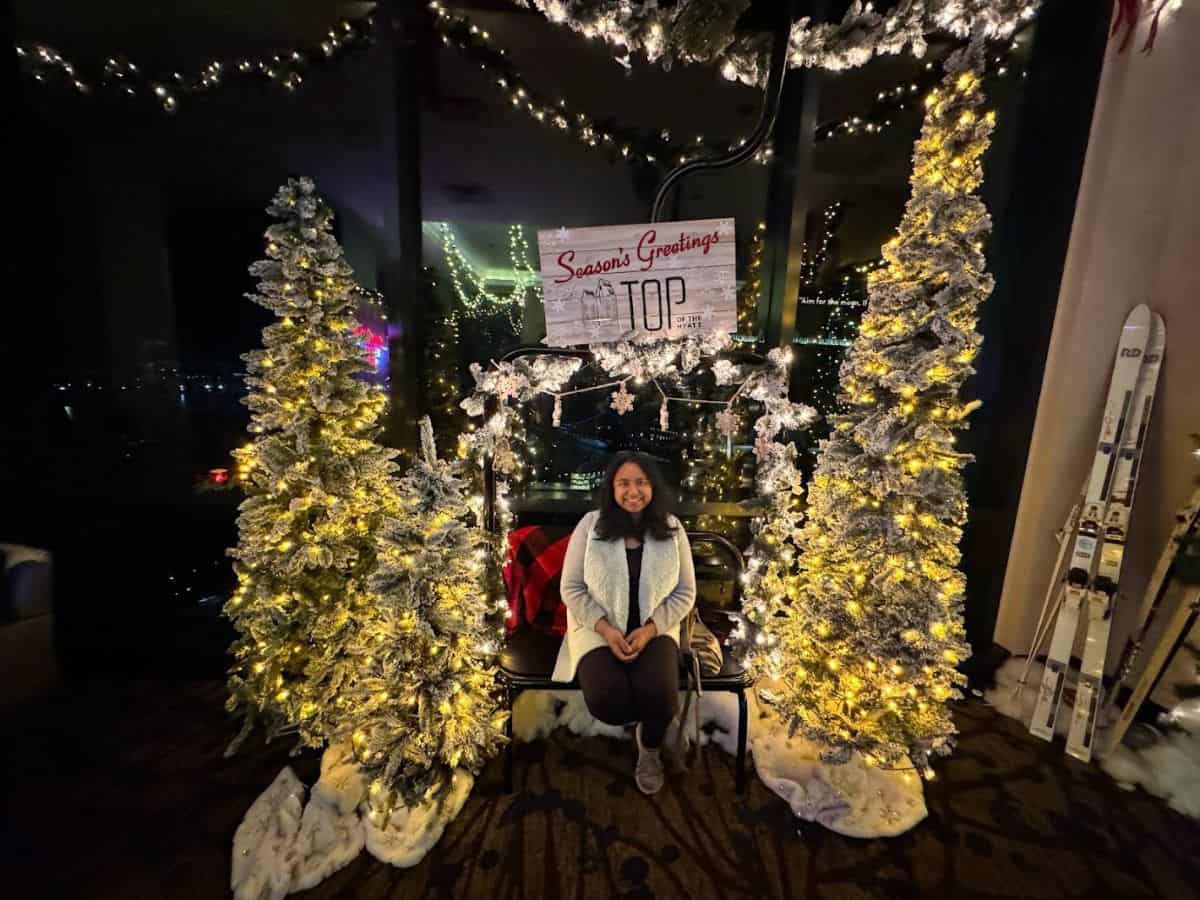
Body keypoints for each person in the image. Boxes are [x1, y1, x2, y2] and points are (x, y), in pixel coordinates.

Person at [551, 451, 696, 795]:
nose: (633, 491)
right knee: (609, 703)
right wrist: (605, 629)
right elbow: (570, 588)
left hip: (655, 628)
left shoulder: (673, 529)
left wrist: (650, 630)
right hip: (598, 628)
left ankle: (650, 745)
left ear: (653, 487)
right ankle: (655, 718)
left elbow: (685, 592)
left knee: (661, 695)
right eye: (624, 483)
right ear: (612, 488)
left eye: (641, 482)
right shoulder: (591, 526)